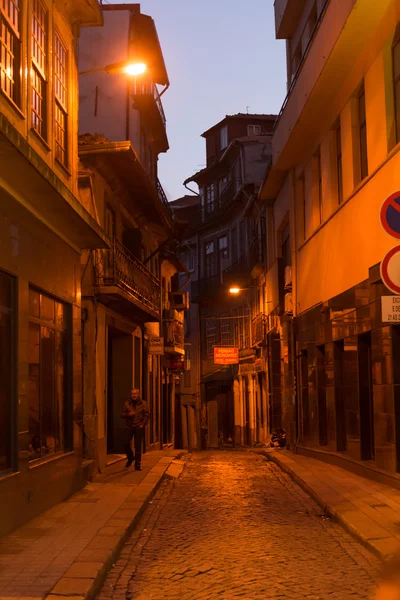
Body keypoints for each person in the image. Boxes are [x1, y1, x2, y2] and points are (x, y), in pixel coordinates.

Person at [121, 388, 150, 470]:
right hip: (129, 426)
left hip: (138, 427)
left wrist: (142, 424)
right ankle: (130, 457)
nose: (134, 395)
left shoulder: (143, 403)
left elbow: (147, 415)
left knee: (138, 446)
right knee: (125, 443)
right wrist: (128, 414)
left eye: (135, 394)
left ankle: (137, 464)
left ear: (138, 394)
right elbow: (122, 414)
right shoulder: (127, 403)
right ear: (131, 394)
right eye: (132, 394)